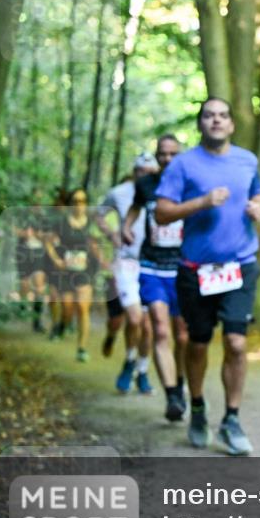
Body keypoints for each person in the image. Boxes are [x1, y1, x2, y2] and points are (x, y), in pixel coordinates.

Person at [155, 97, 260, 455]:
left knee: (236, 342)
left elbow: (258, 196)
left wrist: (257, 209)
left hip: (240, 266)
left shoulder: (248, 161)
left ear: (231, 124)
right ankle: (198, 407)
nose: (216, 121)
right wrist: (201, 202)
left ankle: (231, 419)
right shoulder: (183, 164)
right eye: (208, 116)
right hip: (195, 270)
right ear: (201, 124)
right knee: (197, 343)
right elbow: (162, 213)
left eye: (222, 116)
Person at [123, 134, 190, 423]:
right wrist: (126, 227)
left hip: (183, 267)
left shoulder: (190, 185)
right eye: (162, 154)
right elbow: (135, 208)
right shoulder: (146, 184)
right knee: (160, 331)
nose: (167, 159)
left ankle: (184, 381)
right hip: (151, 265)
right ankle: (173, 394)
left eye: (173, 154)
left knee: (184, 336)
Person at [98, 154, 156, 394]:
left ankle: (142, 370)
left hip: (153, 263)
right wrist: (112, 234)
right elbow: (98, 214)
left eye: (149, 172)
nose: (144, 175)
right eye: (140, 171)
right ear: (134, 172)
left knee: (149, 326)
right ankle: (130, 360)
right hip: (126, 261)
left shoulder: (164, 191)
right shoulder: (119, 192)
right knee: (133, 319)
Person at [43, 189, 109, 361]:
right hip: (65, 271)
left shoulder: (92, 223)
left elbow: (99, 242)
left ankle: (82, 348)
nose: (79, 204)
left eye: (83, 200)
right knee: (67, 308)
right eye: (76, 200)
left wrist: (103, 260)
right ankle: (62, 325)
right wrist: (57, 260)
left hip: (85, 271)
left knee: (82, 307)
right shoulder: (62, 222)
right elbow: (48, 242)